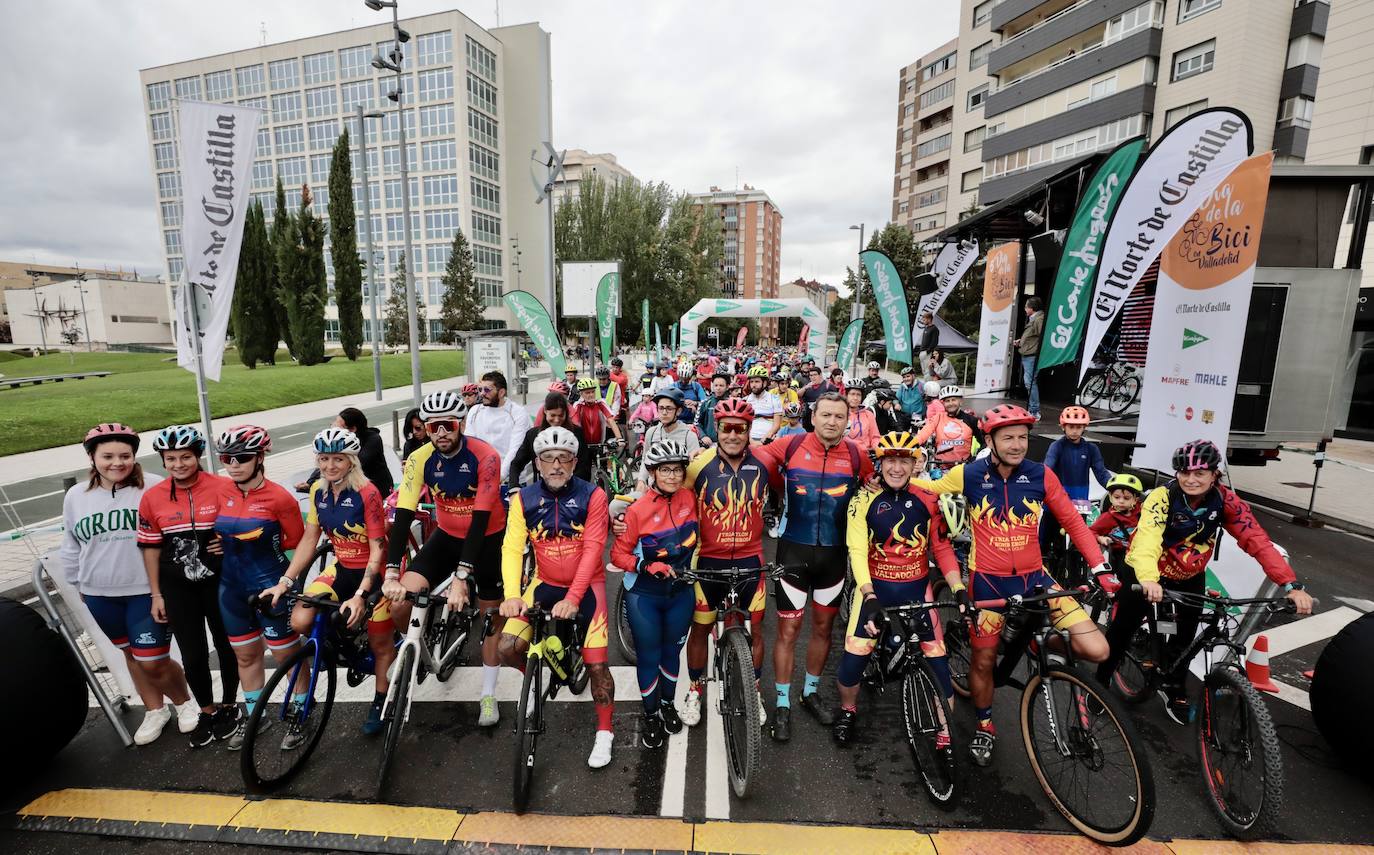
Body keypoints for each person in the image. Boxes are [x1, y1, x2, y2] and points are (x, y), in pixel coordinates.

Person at [915, 404, 1115, 768]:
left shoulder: (1040, 475)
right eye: (1008, 437)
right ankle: (985, 724)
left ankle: (1034, 640)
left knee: (1097, 647)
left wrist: (1100, 568)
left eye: (1023, 437)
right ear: (989, 440)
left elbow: (1072, 521)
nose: (1018, 445)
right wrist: (878, 472)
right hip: (988, 584)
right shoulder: (969, 473)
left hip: (1037, 580)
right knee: (985, 660)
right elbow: (927, 487)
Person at [1096, 440, 1313, 724]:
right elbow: (1147, 539)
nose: (1191, 479)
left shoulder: (1226, 501)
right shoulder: (1162, 497)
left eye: (1200, 473)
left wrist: (1290, 584)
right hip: (1144, 571)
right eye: (1185, 473)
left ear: (1215, 474)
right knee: (1123, 628)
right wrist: (1149, 578)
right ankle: (1099, 685)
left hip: (1189, 576)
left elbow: (1256, 540)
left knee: (1185, 638)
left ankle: (1174, 689)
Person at [753, 393, 873, 741]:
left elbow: (878, 489)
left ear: (847, 420)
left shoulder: (855, 455)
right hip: (793, 553)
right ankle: (782, 704)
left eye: (839, 416)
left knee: (823, 630)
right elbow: (743, 459)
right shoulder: (789, 446)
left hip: (834, 558)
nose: (832, 422)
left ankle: (809, 693)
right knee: (788, 632)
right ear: (813, 416)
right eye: (825, 415)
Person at [385, 391, 508, 727]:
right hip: (447, 537)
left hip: (487, 540)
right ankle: (418, 647)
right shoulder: (420, 458)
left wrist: (460, 577)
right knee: (398, 604)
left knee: (490, 620)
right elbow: (403, 512)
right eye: (433, 426)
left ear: (461, 424)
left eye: (447, 425)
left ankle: (487, 693)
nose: (440, 432)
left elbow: (481, 519)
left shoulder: (486, 456)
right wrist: (392, 572)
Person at [65, 424, 193, 746]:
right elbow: (71, 544)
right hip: (99, 593)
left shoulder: (154, 486)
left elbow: (176, 533)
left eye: (125, 455)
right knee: (131, 655)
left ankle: (184, 702)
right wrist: (77, 582)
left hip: (144, 592)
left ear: (134, 456)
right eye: (107, 456)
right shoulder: (76, 496)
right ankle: (155, 710)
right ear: (92, 458)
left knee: (153, 659)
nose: (117, 462)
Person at [263, 428, 395, 735]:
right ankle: (338, 645)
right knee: (300, 620)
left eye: (338, 459)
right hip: (341, 567)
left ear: (351, 461)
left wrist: (362, 594)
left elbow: (377, 549)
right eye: (324, 459)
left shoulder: (368, 493)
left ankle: (380, 696)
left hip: (372, 572)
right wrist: (285, 580)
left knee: (380, 643)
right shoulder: (317, 491)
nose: (330, 466)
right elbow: (310, 539)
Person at [835, 432, 963, 744]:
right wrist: (868, 595)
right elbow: (857, 551)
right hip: (875, 591)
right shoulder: (863, 499)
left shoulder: (928, 497)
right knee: (853, 662)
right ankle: (848, 709)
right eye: (890, 460)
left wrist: (958, 587)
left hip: (919, 591)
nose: (896, 468)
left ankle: (945, 733)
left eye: (904, 460)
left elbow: (942, 549)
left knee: (939, 666)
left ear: (914, 463)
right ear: (880, 463)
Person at [499, 426, 615, 768]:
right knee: (506, 647)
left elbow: (595, 549)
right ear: (537, 462)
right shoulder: (523, 499)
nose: (556, 465)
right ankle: (533, 681)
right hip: (545, 582)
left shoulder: (593, 496)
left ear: (574, 461)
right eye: (548, 458)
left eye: (564, 458)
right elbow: (511, 548)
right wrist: (511, 595)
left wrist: (575, 597)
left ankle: (605, 732)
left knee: (597, 667)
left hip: (587, 586)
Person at [139, 425, 240, 747]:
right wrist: (156, 594)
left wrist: (228, 542)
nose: (179, 464)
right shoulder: (152, 497)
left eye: (185, 457)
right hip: (176, 586)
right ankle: (207, 711)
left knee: (227, 646)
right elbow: (150, 548)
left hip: (219, 582)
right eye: (171, 459)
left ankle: (229, 705)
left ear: (197, 456)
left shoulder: (224, 487)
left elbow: (245, 525)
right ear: (163, 461)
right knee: (193, 653)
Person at [677, 398, 774, 727]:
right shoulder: (698, 465)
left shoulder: (765, 461)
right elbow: (672, 497)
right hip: (708, 562)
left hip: (752, 560)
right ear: (715, 428)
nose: (733, 434)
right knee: (701, 627)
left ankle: (755, 689)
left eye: (740, 428)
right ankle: (694, 690)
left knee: (757, 631)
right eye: (726, 428)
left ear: (749, 431)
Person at [212, 425, 308, 751]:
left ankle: (300, 711)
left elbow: (297, 548)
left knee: (287, 656)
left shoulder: (280, 498)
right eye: (226, 458)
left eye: (241, 457)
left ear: (260, 457)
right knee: (245, 656)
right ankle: (256, 715)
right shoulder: (221, 491)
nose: (233, 464)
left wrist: (291, 590)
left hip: (271, 587)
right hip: (231, 588)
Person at [612, 439, 699, 748]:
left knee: (671, 652)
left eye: (677, 470)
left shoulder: (690, 498)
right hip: (645, 596)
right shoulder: (637, 511)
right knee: (649, 656)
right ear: (653, 472)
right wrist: (646, 565)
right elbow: (617, 556)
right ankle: (650, 714)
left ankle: (666, 705)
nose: (673, 476)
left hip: (681, 592)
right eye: (666, 470)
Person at [296, 407, 393, 500]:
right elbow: (327, 458)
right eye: (333, 423)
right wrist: (310, 482)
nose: (334, 427)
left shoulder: (372, 439)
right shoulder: (341, 440)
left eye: (338, 426)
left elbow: (356, 463)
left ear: (352, 429)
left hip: (377, 488)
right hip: (350, 487)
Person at [508, 393, 592, 485]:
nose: (556, 420)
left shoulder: (577, 433)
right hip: (541, 492)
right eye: (552, 415)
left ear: (566, 413)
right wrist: (513, 486)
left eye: (560, 415)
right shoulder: (532, 435)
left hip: (571, 491)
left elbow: (584, 468)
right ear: (545, 411)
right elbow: (516, 464)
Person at [465, 371, 532, 482]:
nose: (482, 394)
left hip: (510, 480)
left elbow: (515, 449)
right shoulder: (474, 411)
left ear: (501, 392)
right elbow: (469, 445)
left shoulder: (518, 413)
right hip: (481, 479)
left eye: (487, 390)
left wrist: (498, 477)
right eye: (480, 389)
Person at [1044, 406, 1112, 505]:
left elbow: (1101, 473)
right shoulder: (1056, 446)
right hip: (1056, 500)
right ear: (1063, 427)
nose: (1075, 431)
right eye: (1071, 427)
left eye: (1079, 427)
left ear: (1084, 427)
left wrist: (1114, 487)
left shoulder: (1091, 448)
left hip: (1081, 503)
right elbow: (1047, 469)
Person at [636, 387, 701, 489]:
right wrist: (641, 480)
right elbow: (645, 459)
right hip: (653, 490)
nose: (664, 412)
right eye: (661, 408)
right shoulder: (651, 433)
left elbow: (694, 468)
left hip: (679, 490)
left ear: (678, 411)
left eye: (669, 408)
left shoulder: (689, 435)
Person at [915, 385, 978, 477]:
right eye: (947, 401)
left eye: (953, 400)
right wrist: (910, 444)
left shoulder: (971, 420)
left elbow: (983, 442)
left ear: (960, 401)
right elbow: (923, 434)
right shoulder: (938, 417)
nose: (950, 403)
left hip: (964, 467)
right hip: (941, 467)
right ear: (943, 403)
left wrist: (976, 458)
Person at [1091, 473, 1144, 570]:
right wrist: (1099, 538)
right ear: (1110, 497)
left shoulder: (1143, 513)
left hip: (1142, 552)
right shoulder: (1107, 517)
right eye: (1117, 497)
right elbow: (1090, 531)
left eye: (1126, 498)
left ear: (1135, 500)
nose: (1121, 501)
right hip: (1120, 554)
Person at [1012, 297, 1045, 418]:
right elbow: (1033, 337)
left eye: (1026, 306)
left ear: (1031, 308)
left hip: (1032, 355)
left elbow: (1042, 336)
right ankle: (1033, 409)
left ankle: (1035, 411)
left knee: (1030, 383)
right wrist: (1021, 341)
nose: (1025, 309)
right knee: (1029, 382)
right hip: (1029, 354)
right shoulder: (1035, 318)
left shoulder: (1039, 318)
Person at [571, 378, 623, 449]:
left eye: (593, 392)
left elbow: (611, 420)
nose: (591, 395)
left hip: (599, 444)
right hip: (583, 445)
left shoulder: (600, 403)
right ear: (581, 394)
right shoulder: (578, 405)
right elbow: (574, 424)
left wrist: (619, 438)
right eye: (587, 393)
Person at [743, 366, 782, 444]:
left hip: (768, 440)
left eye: (757, 381)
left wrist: (766, 438)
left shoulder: (774, 399)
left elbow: (777, 425)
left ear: (764, 383)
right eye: (751, 382)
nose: (753, 385)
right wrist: (750, 440)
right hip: (749, 440)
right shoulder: (745, 400)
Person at [843, 380, 880, 453]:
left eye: (858, 395)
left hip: (865, 453)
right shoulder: (840, 413)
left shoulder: (868, 414)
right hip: (844, 453)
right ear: (846, 395)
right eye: (852, 394)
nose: (855, 398)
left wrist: (877, 448)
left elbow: (875, 437)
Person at [696, 373, 731, 444]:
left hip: (727, 443)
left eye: (721, 385)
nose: (718, 388)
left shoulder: (732, 403)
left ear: (727, 387)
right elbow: (697, 423)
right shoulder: (705, 403)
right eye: (716, 385)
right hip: (709, 443)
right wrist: (703, 436)